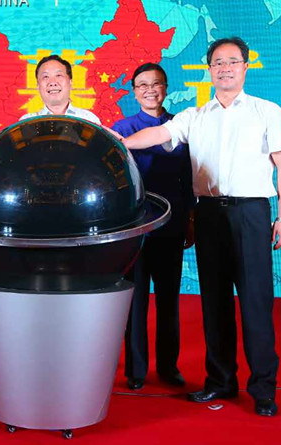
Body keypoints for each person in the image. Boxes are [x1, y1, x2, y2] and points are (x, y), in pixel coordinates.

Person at [120, 37, 281, 417]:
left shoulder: (267, 111)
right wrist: (120, 142)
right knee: (214, 302)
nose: (225, 68)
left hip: (251, 213)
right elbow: (158, 135)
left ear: (245, 67)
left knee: (255, 303)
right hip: (209, 214)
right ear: (209, 69)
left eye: (232, 61)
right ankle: (220, 381)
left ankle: (263, 389)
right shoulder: (195, 116)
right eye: (218, 62)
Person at [112, 63, 195, 391]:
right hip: (134, 229)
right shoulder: (122, 128)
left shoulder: (180, 126)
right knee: (135, 301)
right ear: (134, 92)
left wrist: (191, 218)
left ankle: (168, 367)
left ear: (166, 88)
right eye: (143, 85)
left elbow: (190, 177)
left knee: (168, 299)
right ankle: (136, 370)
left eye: (156, 84)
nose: (150, 90)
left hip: (171, 224)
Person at [19, 55, 101, 124]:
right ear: (38, 85)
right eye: (45, 77)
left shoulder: (89, 119)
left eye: (58, 75)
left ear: (70, 82)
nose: (52, 82)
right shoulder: (27, 122)